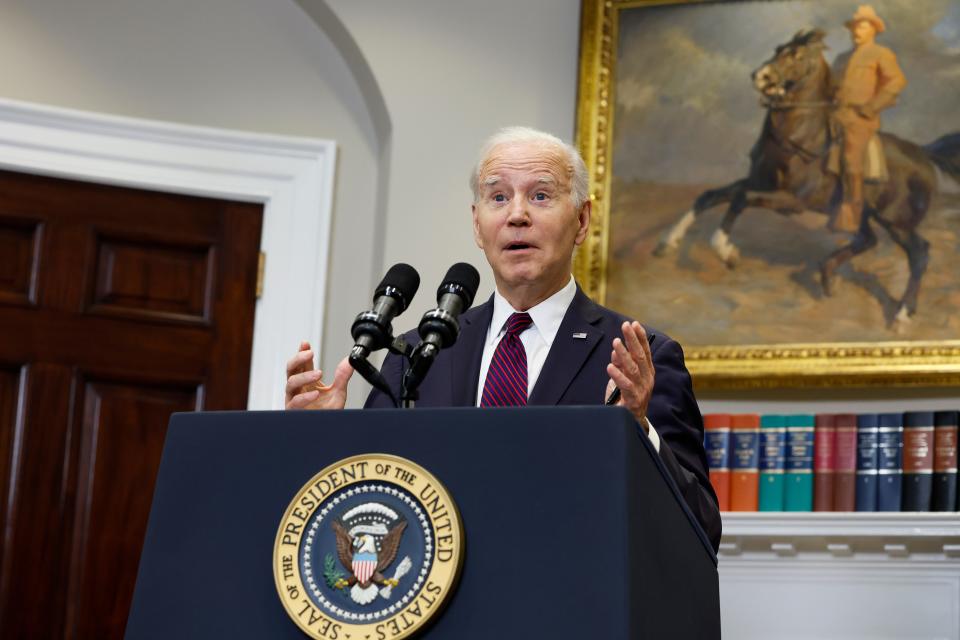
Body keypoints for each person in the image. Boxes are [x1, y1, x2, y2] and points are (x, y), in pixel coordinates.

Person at [285, 127, 721, 550]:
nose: (517, 215)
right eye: (498, 197)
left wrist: (639, 430)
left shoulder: (638, 357)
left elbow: (702, 528)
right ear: (477, 224)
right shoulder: (414, 354)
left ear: (582, 220)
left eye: (541, 195)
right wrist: (322, 440)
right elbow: (368, 504)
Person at [831, 4, 906, 233]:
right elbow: (831, 87)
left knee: (852, 160)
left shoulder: (881, 54)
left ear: (873, 29)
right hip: (835, 114)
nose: (856, 31)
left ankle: (852, 215)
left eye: (861, 26)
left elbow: (896, 82)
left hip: (860, 119)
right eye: (854, 26)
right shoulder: (841, 58)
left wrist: (872, 106)